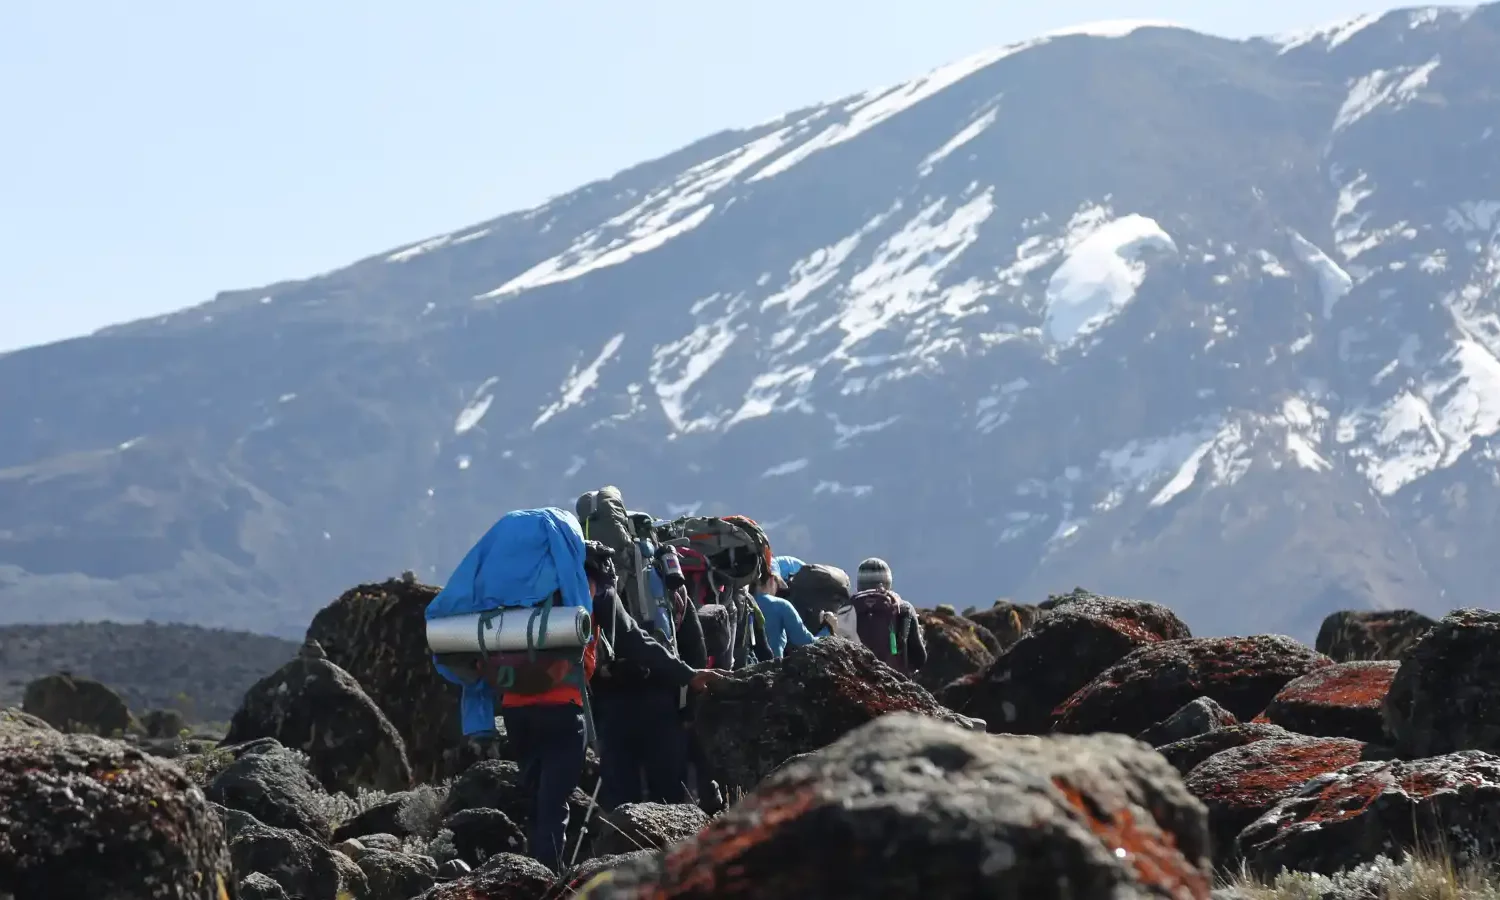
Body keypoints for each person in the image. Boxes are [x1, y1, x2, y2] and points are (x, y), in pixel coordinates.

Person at [428, 510, 725, 873]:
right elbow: (633, 640)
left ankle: (532, 873)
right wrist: (688, 674)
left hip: (516, 710)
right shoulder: (587, 586)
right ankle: (547, 877)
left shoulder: (506, 592)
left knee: (536, 798)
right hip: (564, 710)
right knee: (555, 805)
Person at [592, 558, 708, 810]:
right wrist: (689, 708)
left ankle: (620, 844)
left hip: (611, 699)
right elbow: (694, 649)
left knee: (620, 794)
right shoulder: (666, 582)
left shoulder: (592, 584)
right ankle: (671, 846)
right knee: (668, 795)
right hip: (663, 697)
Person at [843, 557, 928, 675]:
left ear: (859, 583)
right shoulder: (903, 608)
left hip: (854, 678)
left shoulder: (847, 608)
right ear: (888, 581)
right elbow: (919, 659)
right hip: (892, 680)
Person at [752, 572, 820, 659]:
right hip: (770, 668)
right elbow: (804, 641)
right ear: (772, 580)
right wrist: (828, 629)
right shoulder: (780, 604)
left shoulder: (741, 601)